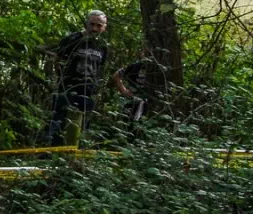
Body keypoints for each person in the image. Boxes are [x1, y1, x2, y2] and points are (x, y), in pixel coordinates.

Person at [39, 10, 109, 146]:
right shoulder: (72, 39)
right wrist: (63, 79)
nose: (94, 28)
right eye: (92, 24)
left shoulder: (103, 46)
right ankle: (50, 152)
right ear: (86, 24)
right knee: (59, 119)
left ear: (104, 27)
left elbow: (101, 67)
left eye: (99, 26)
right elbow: (58, 61)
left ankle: (77, 154)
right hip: (68, 86)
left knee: (83, 124)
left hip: (88, 89)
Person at [111, 46, 166, 128]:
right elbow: (116, 76)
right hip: (131, 101)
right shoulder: (135, 66)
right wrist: (123, 90)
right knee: (128, 125)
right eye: (144, 53)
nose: (146, 56)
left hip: (147, 103)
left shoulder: (158, 69)